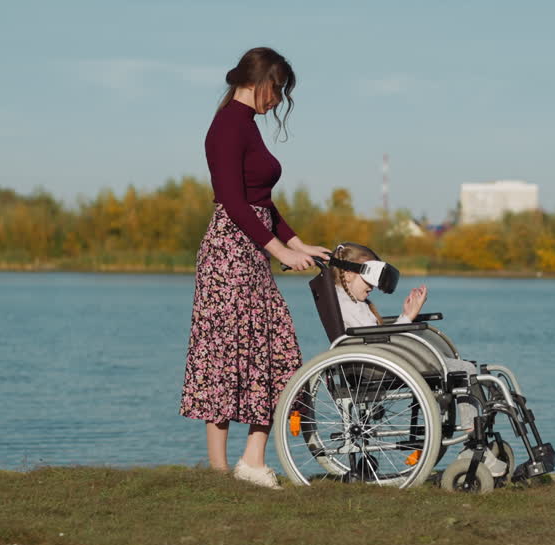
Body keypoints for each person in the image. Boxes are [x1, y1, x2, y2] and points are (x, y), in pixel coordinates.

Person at [180, 47, 329, 490]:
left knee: (272, 351)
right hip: (229, 253)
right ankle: (221, 471)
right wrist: (279, 250)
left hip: (252, 250)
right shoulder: (228, 125)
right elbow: (231, 200)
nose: (279, 99)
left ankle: (250, 460)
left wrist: (297, 244)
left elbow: (262, 202)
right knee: (224, 356)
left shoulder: (246, 125)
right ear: (260, 81)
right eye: (277, 89)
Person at [327, 243, 507, 478]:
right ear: (348, 273)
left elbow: (377, 337)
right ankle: (473, 440)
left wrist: (407, 316)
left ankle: (475, 436)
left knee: (465, 369)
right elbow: (374, 339)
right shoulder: (345, 304)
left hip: (383, 360)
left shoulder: (352, 302)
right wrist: (407, 319)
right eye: (368, 280)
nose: (372, 287)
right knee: (464, 370)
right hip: (378, 366)